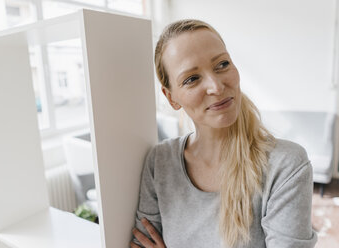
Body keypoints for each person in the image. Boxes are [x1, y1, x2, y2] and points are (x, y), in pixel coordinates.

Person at [130, 19, 317, 248]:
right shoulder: (159, 162)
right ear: (171, 98)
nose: (216, 87)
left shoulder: (286, 165)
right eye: (191, 79)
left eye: (222, 64)